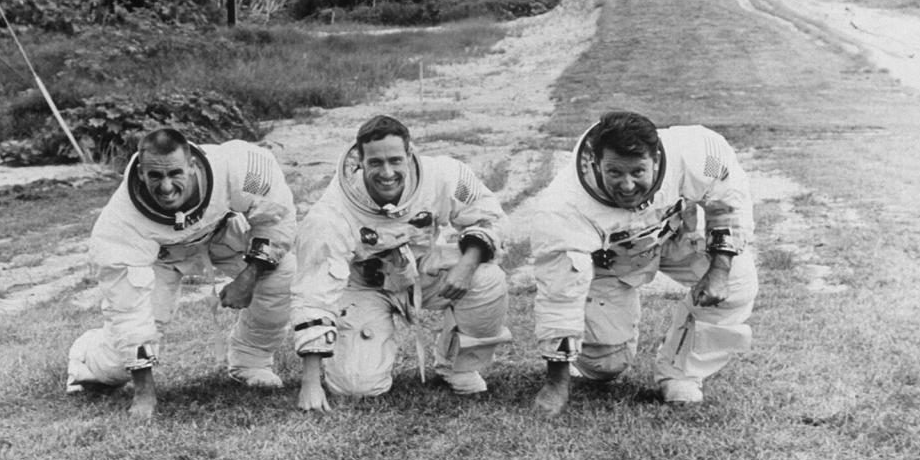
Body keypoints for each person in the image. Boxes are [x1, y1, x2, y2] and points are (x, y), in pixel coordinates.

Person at [66, 127, 334, 419]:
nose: (166, 187)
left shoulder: (240, 170)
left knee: (281, 272)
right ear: (141, 173)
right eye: (155, 176)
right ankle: (86, 356)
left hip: (218, 233)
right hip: (160, 257)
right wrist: (144, 393)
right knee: (117, 364)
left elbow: (276, 219)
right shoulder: (120, 222)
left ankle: (250, 361)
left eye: (175, 174)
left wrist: (250, 275)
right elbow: (127, 304)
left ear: (192, 166)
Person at [530, 111, 757, 415]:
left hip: (674, 236)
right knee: (605, 366)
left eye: (638, 172)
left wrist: (719, 270)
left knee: (737, 280)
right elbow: (559, 294)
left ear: (657, 157)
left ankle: (682, 374)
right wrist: (556, 383)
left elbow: (729, 200)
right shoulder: (562, 207)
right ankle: (600, 346)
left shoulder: (697, 154)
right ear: (596, 163)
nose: (626, 186)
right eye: (614, 173)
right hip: (612, 262)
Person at [292, 114, 512, 400]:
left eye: (395, 160)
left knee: (487, 278)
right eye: (375, 163)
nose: (387, 173)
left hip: (423, 269)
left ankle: (458, 366)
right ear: (359, 160)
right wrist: (310, 382)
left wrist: (466, 267)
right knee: (356, 387)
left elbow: (491, 218)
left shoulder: (443, 175)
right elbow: (315, 290)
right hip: (365, 285)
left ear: (409, 154)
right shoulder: (331, 212)